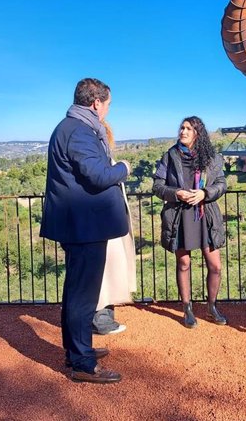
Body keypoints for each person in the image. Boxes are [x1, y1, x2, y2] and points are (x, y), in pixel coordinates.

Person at [40, 78, 131, 384]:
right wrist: (124, 169)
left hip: (80, 225)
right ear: (96, 103)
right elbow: (98, 174)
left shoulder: (70, 127)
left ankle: (76, 350)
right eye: (107, 104)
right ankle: (82, 362)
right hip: (85, 227)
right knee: (83, 296)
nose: (107, 110)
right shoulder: (80, 131)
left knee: (76, 291)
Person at [152, 116, 227, 328]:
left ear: (197, 133)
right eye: (181, 128)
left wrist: (205, 193)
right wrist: (178, 193)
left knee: (215, 266)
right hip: (180, 216)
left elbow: (221, 183)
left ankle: (212, 307)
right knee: (184, 263)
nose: (183, 131)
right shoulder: (171, 155)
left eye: (188, 129)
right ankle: (187, 309)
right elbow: (157, 186)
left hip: (206, 216)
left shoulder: (212, 157)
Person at [92, 121, 137, 336]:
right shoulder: (101, 160)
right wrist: (124, 168)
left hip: (109, 221)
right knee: (106, 269)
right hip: (105, 223)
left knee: (109, 268)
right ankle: (101, 318)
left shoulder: (100, 157)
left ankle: (104, 316)